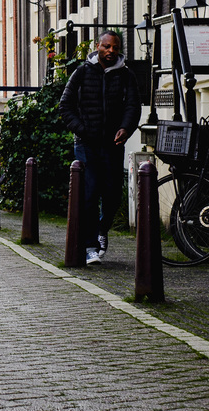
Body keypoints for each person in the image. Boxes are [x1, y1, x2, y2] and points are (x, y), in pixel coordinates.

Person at [58, 30, 141, 265]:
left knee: (113, 194)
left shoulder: (126, 75)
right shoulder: (82, 72)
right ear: (98, 46)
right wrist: (82, 129)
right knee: (90, 192)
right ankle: (90, 246)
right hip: (87, 144)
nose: (110, 51)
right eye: (106, 47)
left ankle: (102, 230)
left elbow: (133, 107)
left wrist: (126, 129)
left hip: (113, 144)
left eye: (114, 47)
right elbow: (65, 105)